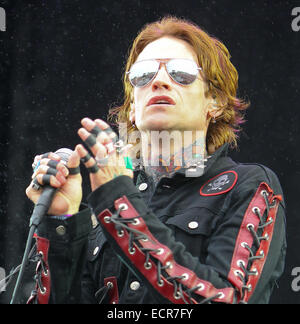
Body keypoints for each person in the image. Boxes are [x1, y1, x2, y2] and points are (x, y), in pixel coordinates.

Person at [25, 16, 286, 304]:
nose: (159, 81)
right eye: (144, 74)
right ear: (133, 108)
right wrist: (61, 221)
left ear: (215, 102)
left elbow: (228, 299)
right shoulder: (102, 214)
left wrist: (118, 201)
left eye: (181, 73)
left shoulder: (249, 186)